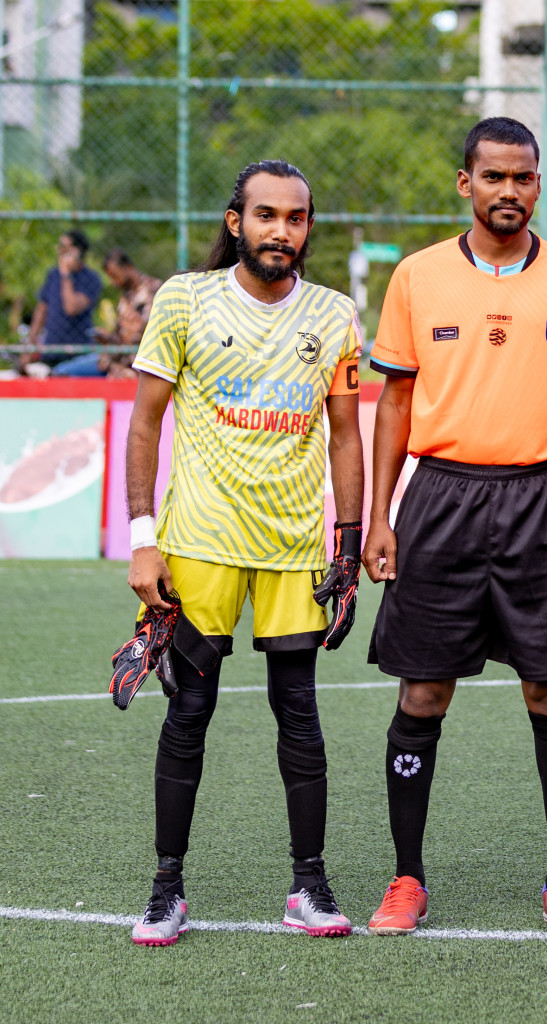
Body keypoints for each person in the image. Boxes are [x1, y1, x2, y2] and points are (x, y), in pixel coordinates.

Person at [362, 117, 547, 937]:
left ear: (538, 185)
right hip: (439, 499)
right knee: (424, 690)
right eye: (494, 177)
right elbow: (394, 401)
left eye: (524, 178)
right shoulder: (417, 276)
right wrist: (379, 516)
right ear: (465, 183)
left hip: (543, 500)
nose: (510, 191)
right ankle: (406, 879)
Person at [122, 160, 365, 945]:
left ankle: (310, 886)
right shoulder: (185, 299)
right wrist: (141, 541)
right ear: (237, 223)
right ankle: (166, 889)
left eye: (295, 219)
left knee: (299, 712)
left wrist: (350, 542)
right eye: (266, 216)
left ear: (308, 228)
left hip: (293, 550)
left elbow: (347, 434)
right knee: (188, 711)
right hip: (198, 546)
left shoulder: (333, 315)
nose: (281, 232)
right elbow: (145, 423)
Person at [28, 230, 104, 374]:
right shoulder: (53, 275)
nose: (60, 250)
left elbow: (71, 308)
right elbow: (42, 310)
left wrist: (66, 274)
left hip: (78, 351)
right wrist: (31, 344)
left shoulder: (91, 278)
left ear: (77, 251)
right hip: (51, 349)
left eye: (64, 246)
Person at [102, 250, 163, 379]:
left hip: (147, 362)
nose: (113, 282)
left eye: (115, 275)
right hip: (122, 362)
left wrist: (139, 329)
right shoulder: (125, 297)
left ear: (128, 267)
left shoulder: (155, 290)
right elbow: (120, 335)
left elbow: (162, 330)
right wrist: (108, 337)